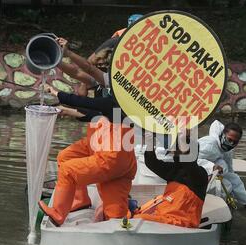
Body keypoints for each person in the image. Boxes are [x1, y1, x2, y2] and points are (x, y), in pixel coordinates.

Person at [38, 59, 136, 227]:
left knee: (68, 171)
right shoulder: (117, 100)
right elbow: (94, 113)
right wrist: (67, 111)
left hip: (110, 160)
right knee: (65, 157)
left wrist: (55, 92)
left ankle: (59, 213)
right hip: (121, 161)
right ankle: (81, 200)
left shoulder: (117, 100)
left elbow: (85, 102)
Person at [133, 131, 209, 228]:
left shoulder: (200, 175)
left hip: (183, 224)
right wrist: (150, 145)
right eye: (176, 151)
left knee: (138, 219)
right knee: (131, 216)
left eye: (179, 151)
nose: (175, 154)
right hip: (163, 218)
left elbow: (190, 165)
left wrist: (183, 144)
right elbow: (152, 163)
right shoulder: (174, 170)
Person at [198, 120, 246, 211]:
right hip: (190, 173)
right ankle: (212, 207)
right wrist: (211, 166)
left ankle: (221, 206)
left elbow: (231, 175)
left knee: (227, 178)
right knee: (226, 185)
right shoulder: (209, 144)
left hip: (208, 174)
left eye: (235, 142)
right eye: (229, 140)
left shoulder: (227, 151)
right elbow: (191, 161)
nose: (231, 144)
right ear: (223, 134)